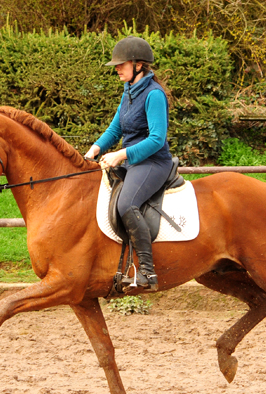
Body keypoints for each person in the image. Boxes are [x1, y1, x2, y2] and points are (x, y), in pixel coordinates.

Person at [84, 36, 173, 292]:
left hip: (153, 162)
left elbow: (157, 139)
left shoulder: (153, 94)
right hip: (134, 162)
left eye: (121, 64)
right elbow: (116, 128)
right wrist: (93, 151)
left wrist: (120, 155)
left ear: (138, 65)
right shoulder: (129, 92)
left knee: (126, 203)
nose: (117, 68)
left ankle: (147, 272)